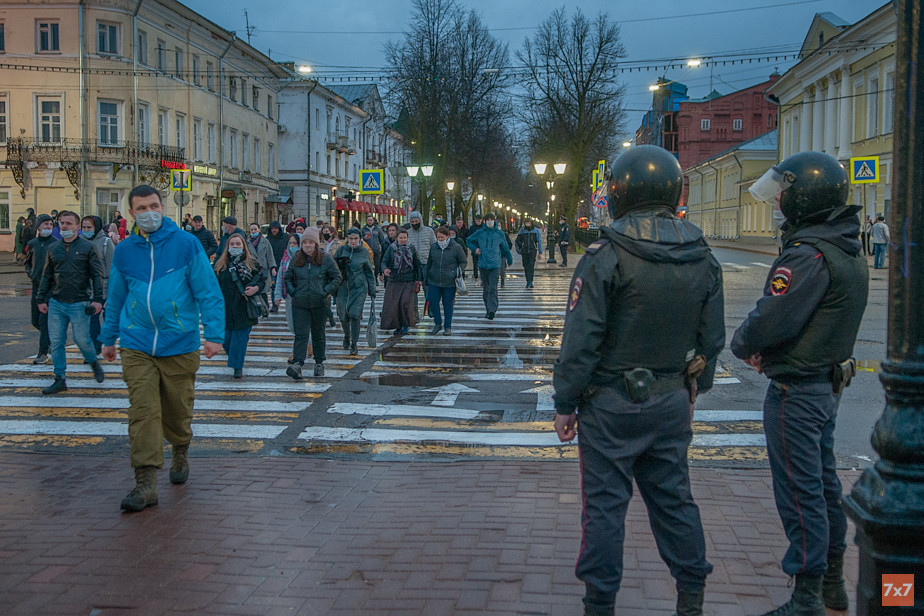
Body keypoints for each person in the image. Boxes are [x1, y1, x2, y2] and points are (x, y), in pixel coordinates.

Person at [552, 145, 725, 616]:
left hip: (609, 403)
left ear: (619, 191)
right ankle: (692, 598)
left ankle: (600, 604)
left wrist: (565, 401)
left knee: (606, 508)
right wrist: (695, 389)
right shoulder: (702, 256)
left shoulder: (606, 256)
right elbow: (712, 339)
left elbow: (581, 340)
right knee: (675, 502)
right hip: (671, 399)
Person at [731, 151, 869, 616]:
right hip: (824, 386)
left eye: (785, 192)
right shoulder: (843, 247)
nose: (780, 201)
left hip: (797, 392)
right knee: (823, 484)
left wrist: (746, 345)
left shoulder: (808, 254)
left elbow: (773, 317)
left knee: (800, 491)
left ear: (805, 195)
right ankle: (831, 584)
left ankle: (806, 597)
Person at [100, 185, 225, 513]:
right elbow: (115, 297)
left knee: (176, 410)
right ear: (132, 213)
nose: (149, 212)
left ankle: (180, 448)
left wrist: (214, 334)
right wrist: (108, 337)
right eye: (141, 208)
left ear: (163, 207)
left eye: (154, 205)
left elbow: (207, 291)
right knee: (143, 411)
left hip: (179, 343)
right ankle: (145, 483)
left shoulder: (187, 244)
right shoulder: (125, 251)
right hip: (137, 343)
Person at [35, 210, 105, 394]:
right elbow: (46, 275)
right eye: (61, 223)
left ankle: (93, 362)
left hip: (79, 302)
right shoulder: (54, 248)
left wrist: (98, 300)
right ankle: (60, 378)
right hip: (57, 302)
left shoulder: (87, 247)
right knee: (56, 341)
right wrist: (40, 298)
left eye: (68, 223)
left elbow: (96, 275)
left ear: (76, 227)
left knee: (82, 340)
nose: (64, 227)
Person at [284, 228, 341, 379]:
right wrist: (293, 292)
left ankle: (319, 363)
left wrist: (325, 291)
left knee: (318, 334)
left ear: (316, 244)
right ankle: (298, 364)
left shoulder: (325, 258)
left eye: (310, 242)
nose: (307, 245)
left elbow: (336, 277)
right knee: (301, 335)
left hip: (319, 303)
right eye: (305, 242)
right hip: (300, 302)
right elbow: (288, 277)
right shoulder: (296, 258)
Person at [214, 233, 266, 379]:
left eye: (238, 244)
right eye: (232, 244)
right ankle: (234, 358)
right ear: (227, 246)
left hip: (244, 307)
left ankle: (237, 366)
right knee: (227, 339)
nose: (235, 247)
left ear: (243, 246)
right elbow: (213, 285)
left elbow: (261, 280)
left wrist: (255, 288)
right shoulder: (220, 265)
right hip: (225, 307)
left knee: (240, 339)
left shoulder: (252, 263)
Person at [334, 228, 376, 354]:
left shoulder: (364, 252)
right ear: (347, 239)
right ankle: (347, 335)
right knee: (343, 315)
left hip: (359, 288)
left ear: (360, 239)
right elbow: (332, 267)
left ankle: (354, 343)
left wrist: (372, 289)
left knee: (355, 314)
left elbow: (369, 271)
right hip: (343, 287)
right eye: (351, 239)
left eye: (355, 239)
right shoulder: (341, 250)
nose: (353, 241)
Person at [465, 211, 512, 320]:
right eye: (488, 220)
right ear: (485, 221)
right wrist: (475, 249)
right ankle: (488, 308)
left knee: (493, 288)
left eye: (492, 220)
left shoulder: (499, 234)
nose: (490, 222)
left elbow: (505, 247)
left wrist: (509, 260)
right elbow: (468, 240)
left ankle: (492, 309)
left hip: (495, 264)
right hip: (483, 264)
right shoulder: (480, 232)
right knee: (486, 288)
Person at [24, 214, 57, 365]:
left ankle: (42, 352)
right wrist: (31, 273)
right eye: (45, 225)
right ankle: (50, 340)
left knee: (44, 321)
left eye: (50, 225)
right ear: (38, 227)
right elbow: (27, 262)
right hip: (36, 285)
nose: (48, 227)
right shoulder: (33, 244)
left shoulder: (56, 243)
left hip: (50, 288)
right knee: (35, 320)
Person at [82, 215, 115, 356]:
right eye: (84, 227)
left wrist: (112, 293)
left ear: (96, 227)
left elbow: (112, 268)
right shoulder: (80, 242)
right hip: (87, 288)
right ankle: (95, 347)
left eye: (89, 227)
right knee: (91, 319)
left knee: (107, 318)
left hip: (104, 287)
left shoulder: (106, 243)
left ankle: (108, 343)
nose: (86, 230)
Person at [425, 227, 467, 335]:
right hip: (434, 280)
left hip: (449, 282)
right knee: (433, 303)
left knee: (448, 305)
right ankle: (437, 323)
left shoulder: (456, 247)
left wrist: (457, 271)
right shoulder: (434, 247)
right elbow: (429, 262)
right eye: (438, 237)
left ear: (447, 236)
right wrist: (426, 276)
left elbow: (463, 261)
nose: (440, 239)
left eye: (442, 237)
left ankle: (448, 327)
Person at [381, 228, 422, 335]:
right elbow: (384, 261)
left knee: (405, 303)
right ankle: (397, 325)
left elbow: (417, 264)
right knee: (395, 305)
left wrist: (419, 279)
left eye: (404, 238)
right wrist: (385, 269)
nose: (403, 240)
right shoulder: (391, 248)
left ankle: (405, 324)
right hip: (394, 280)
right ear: (397, 238)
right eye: (401, 238)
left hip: (409, 280)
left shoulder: (411, 248)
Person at [274, 233, 300, 335]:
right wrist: (277, 295)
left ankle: (306, 346)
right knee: (291, 324)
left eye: (295, 243)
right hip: (289, 295)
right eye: (291, 243)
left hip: (303, 295)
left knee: (303, 324)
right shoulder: (285, 258)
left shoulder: (305, 258)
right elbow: (280, 277)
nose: (293, 246)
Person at [248, 222, 277, 307]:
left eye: (255, 229)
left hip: (263, 269)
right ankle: (256, 307)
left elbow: (270, 255)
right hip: (252, 269)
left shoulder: (265, 241)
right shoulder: (247, 242)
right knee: (254, 288)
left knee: (263, 290)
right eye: (251, 230)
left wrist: (272, 268)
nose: (253, 231)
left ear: (259, 230)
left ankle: (265, 307)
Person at [266, 221, 291, 310]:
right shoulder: (268, 239)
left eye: (276, 228)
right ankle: (275, 304)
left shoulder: (285, 238)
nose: (274, 230)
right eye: (272, 229)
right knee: (275, 285)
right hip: (274, 266)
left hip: (285, 264)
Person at [515, 219, 543, 288]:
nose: (527, 224)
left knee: (531, 265)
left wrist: (540, 252)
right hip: (524, 251)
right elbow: (518, 240)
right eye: (526, 223)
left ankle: (530, 281)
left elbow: (539, 241)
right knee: (526, 265)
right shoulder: (522, 230)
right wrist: (521, 247)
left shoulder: (536, 231)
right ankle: (528, 280)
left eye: (528, 223)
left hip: (532, 250)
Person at [361, 215, 388, 279]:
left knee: (377, 265)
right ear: (366, 221)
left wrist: (384, 248)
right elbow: (359, 239)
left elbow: (382, 240)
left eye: (371, 220)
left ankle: (375, 278)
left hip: (376, 250)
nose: (369, 222)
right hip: (367, 250)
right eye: (368, 220)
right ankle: (368, 278)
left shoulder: (377, 229)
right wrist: (364, 238)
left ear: (373, 221)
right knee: (368, 265)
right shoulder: (363, 229)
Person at [469, 213, 484, 279]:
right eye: (478, 221)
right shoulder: (472, 228)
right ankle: (476, 276)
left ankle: (482, 275)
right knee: (475, 263)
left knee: (482, 263)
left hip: (482, 247)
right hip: (475, 247)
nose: (479, 222)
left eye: (480, 221)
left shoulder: (484, 227)